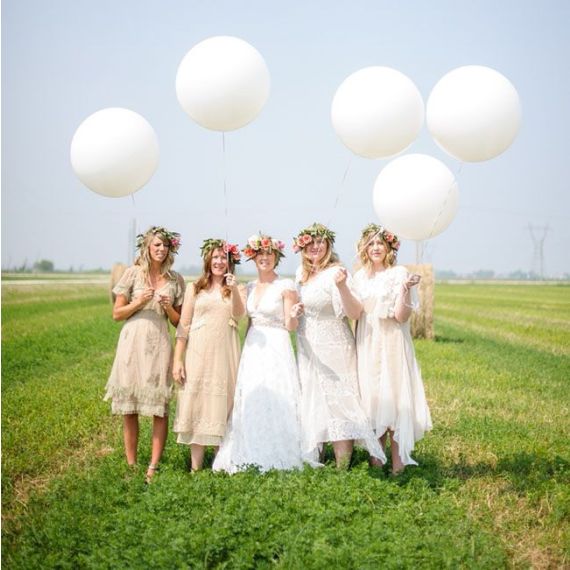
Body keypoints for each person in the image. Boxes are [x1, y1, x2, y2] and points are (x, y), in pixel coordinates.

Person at [214, 234, 308, 473]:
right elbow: (239, 314)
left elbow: (290, 326)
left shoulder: (285, 286)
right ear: (253, 258)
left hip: (276, 345)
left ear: (276, 257)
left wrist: (295, 314)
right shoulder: (249, 286)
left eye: (269, 254)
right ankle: (250, 446)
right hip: (254, 345)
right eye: (260, 255)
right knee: (252, 395)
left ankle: (280, 449)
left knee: (277, 394)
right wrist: (234, 288)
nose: (264, 258)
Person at [293, 223, 385, 468]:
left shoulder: (337, 272)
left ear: (328, 246)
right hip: (307, 346)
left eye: (320, 242)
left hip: (333, 345)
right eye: (310, 243)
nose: (315, 247)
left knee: (339, 403)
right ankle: (316, 456)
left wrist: (343, 286)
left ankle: (342, 466)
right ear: (302, 247)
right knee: (313, 400)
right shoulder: (300, 275)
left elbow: (355, 312)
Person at [104, 226, 185, 483]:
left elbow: (178, 321)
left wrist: (168, 307)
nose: (161, 250)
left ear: (170, 249)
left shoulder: (175, 280)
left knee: (159, 409)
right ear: (147, 248)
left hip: (159, 342)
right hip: (132, 341)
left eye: (165, 246)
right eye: (156, 245)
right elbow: (117, 314)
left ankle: (153, 466)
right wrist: (139, 302)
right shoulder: (132, 274)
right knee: (131, 407)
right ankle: (131, 464)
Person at [354, 223, 432, 474]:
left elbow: (401, 317)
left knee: (396, 398)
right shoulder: (358, 277)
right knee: (373, 399)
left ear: (389, 247)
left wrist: (407, 290)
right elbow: (354, 312)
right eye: (371, 243)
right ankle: (377, 459)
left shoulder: (399, 273)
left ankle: (398, 465)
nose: (376, 248)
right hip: (367, 341)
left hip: (392, 343)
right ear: (364, 249)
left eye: (380, 243)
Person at [172, 238, 245, 471]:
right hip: (198, 351)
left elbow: (239, 314)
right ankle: (196, 467)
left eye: (223, 257)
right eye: (215, 257)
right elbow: (183, 326)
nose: (219, 261)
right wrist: (178, 360)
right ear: (207, 260)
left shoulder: (237, 288)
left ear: (230, 262)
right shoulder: (195, 288)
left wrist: (232, 289)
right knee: (198, 404)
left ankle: (220, 464)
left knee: (223, 404)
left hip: (225, 352)